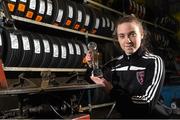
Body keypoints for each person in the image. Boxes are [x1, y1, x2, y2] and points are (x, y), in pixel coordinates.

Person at [84, 15, 165, 118]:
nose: (127, 41)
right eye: (122, 36)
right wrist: (91, 64)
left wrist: (111, 90)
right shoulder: (115, 64)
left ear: (141, 34)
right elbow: (92, 78)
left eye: (132, 34)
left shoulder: (153, 61)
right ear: (117, 38)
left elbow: (146, 104)